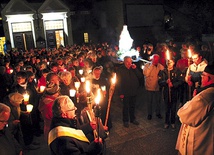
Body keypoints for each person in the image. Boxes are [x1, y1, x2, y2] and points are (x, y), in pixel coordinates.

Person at [176, 63, 214, 155]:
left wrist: (192, 100)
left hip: (197, 144)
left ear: (208, 78)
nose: (201, 78)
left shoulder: (204, 97)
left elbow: (184, 116)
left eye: (203, 75)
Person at [117, 56, 143, 127]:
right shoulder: (120, 70)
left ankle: (132, 119)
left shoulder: (133, 68)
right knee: (126, 107)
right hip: (125, 92)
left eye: (130, 62)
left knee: (133, 106)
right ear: (124, 62)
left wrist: (135, 69)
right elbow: (118, 82)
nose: (129, 63)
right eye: (128, 62)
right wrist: (120, 93)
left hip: (133, 91)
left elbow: (140, 76)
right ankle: (125, 120)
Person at [158, 59, 183, 129]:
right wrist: (165, 82)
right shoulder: (163, 71)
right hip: (166, 92)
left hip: (174, 93)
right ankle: (166, 122)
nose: (169, 63)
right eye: (168, 62)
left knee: (173, 108)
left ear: (174, 63)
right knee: (167, 108)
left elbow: (180, 81)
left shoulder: (177, 71)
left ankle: (172, 122)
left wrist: (174, 85)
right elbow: (159, 82)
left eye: (171, 62)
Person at [143, 54, 164, 120]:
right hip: (149, 86)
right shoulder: (146, 65)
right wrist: (151, 65)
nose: (156, 61)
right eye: (154, 60)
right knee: (149, 101)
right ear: (151, 59)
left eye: (157, 60)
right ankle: (149, 113)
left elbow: (164, 74)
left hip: (157, 87)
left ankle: (158, 113)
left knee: (158, 101)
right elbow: (146, 74)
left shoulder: (160, 66)